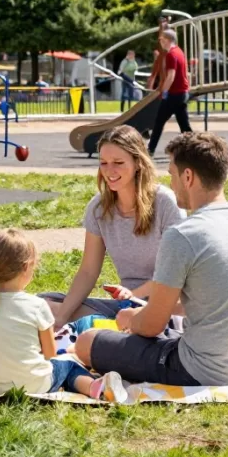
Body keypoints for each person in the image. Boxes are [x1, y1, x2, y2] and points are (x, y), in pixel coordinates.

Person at [74, 132, 228, 387]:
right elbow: (217, 302)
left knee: (86, 342)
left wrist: (129, 319)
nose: (170, 183)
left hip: (204, 370)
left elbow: (151, 326)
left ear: (188, 176)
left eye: (172, 174)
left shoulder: (183, 235)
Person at [40, 125, 184, 325]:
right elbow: (88, 271)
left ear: (138, 163)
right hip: (124, 304)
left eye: (118, 162)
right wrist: (62, 317)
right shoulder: (98, 208)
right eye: (103, 163)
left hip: (165, 304)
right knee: (42, 305)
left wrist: (134, 295)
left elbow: (175, 274)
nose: (109, 171)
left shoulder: (165, 203)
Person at [0, 228, 123, 399]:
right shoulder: (37, 305)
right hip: (34, 386)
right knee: (68, 365)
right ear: (26, 267)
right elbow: (51, 355)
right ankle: (93, 386)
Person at [146, 29, 193, 155]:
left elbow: (171, 76)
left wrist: (164, 92)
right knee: (184, 125)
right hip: (183, 93)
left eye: (161, 39)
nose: (160, 42)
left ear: (167, 39)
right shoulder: (179, 51)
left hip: (174, 94)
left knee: (159, 122)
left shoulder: (171, 54)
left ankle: (150, 149)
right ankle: (194, 148)